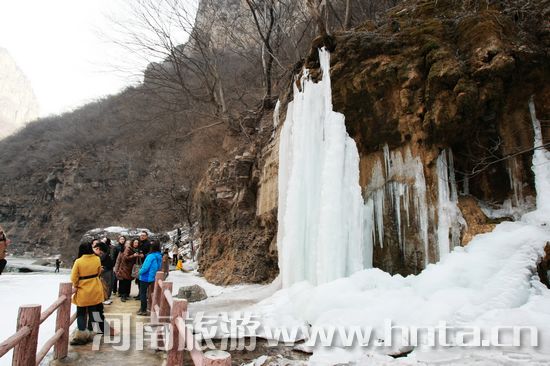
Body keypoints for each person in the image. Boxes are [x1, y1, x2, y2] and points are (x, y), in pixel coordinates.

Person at [70, 242, 106, 345]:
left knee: (81, 312)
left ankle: (81, 336)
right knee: (93, 312)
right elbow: (99, 272)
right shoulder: (97, 259)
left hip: (83, 290)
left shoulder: (78, 261)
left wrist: (76, 285)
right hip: (95, 288)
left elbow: (73, 278)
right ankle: (91, 333)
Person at [137, 241, 162, 316]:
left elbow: (145, 267)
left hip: (146, 277)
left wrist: (139, 272)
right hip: (154, 277)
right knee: (151, 292)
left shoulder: (150, 256)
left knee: (143, 294)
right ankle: (150, 307)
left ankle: (143, 309)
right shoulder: (159, 255)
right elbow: (159, 266)